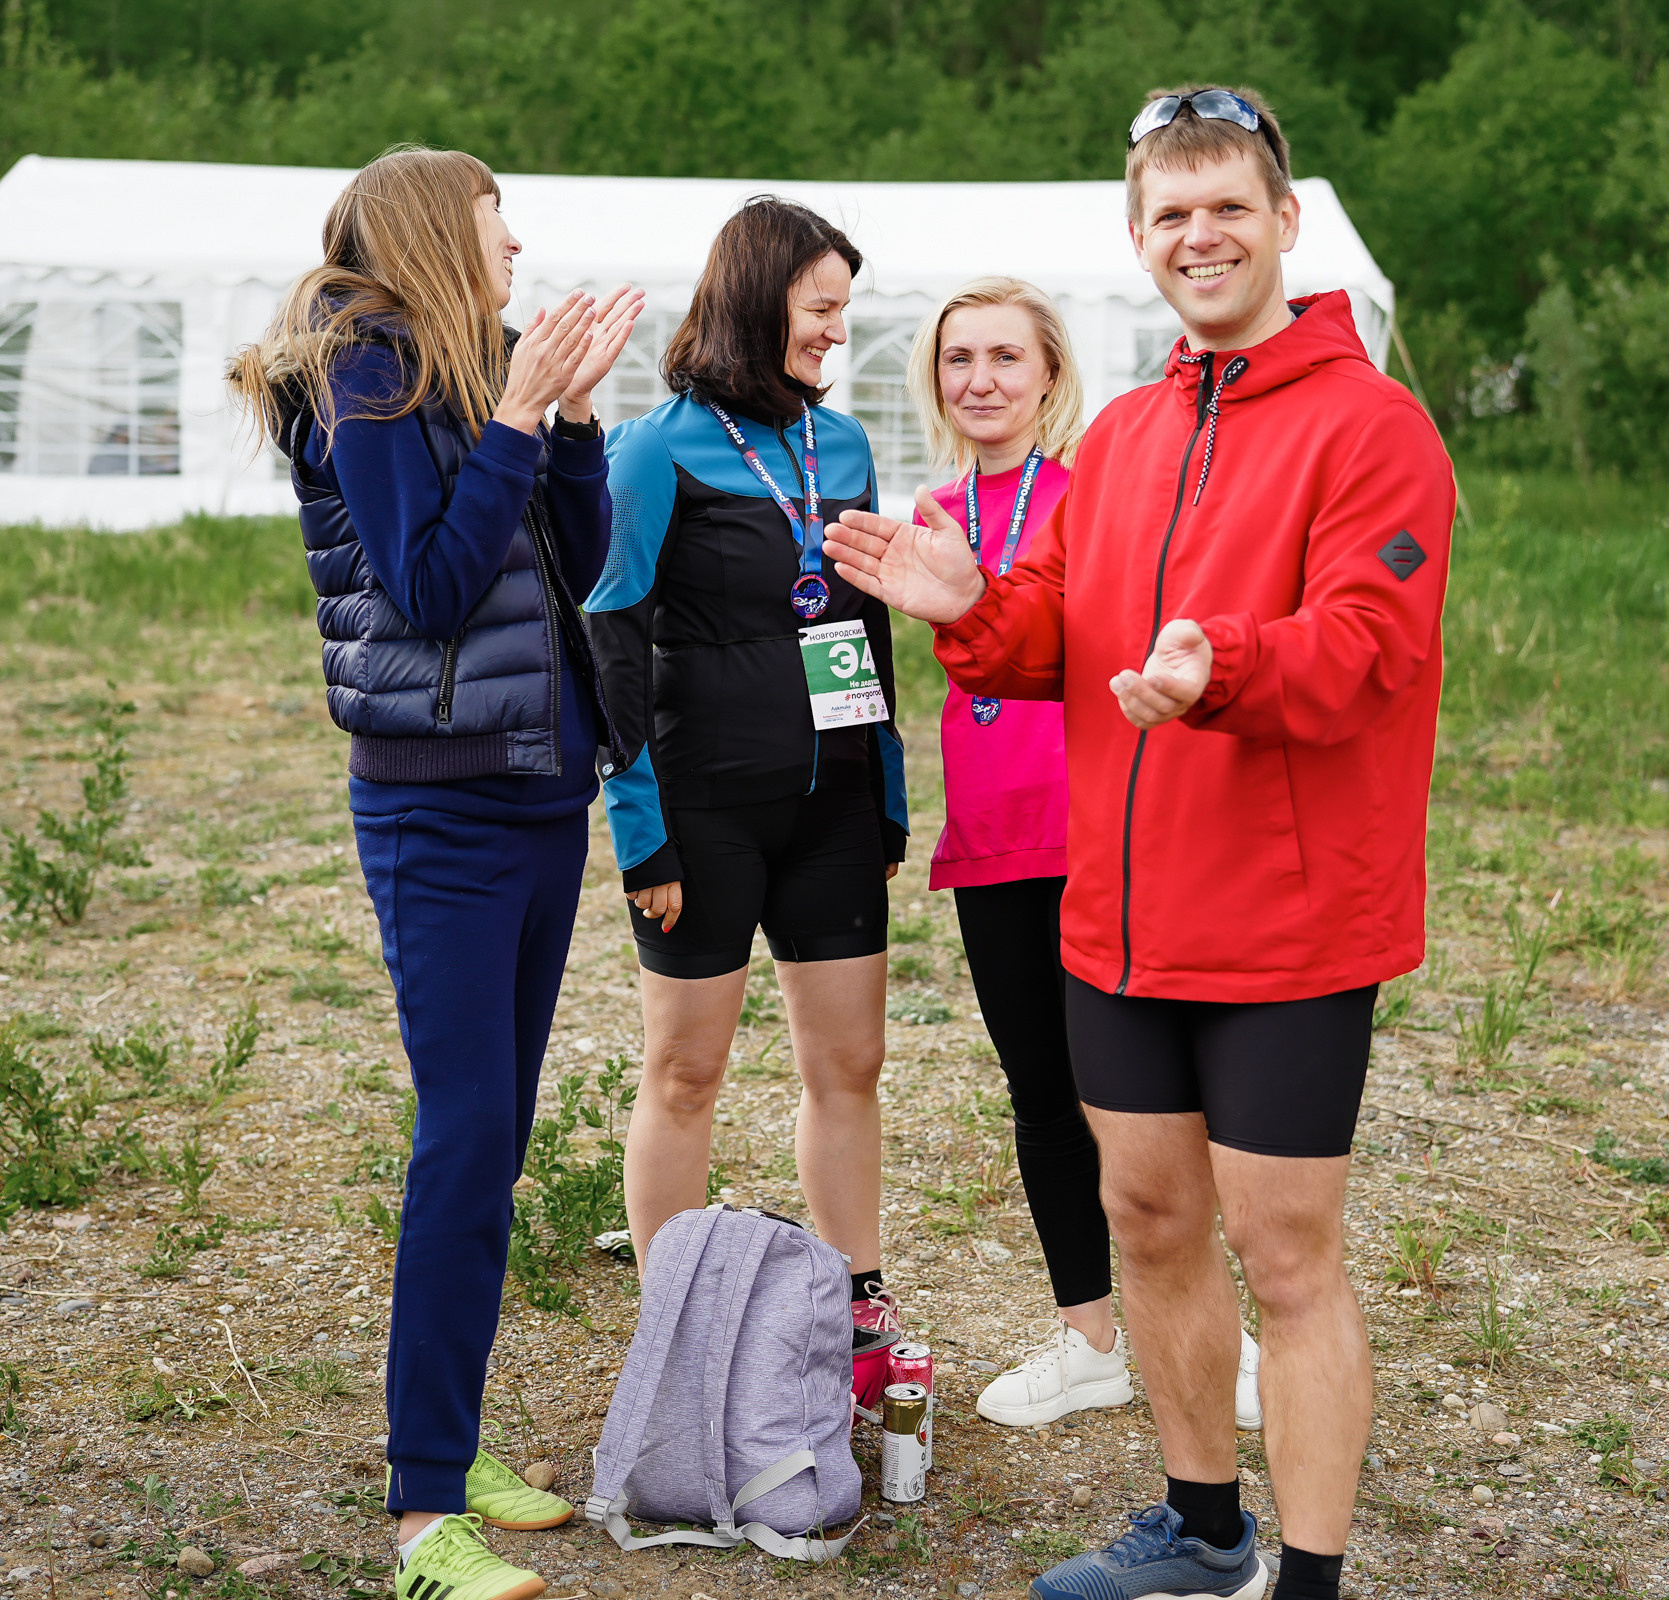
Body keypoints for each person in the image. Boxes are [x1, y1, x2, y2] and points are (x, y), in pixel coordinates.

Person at [826, 86, 1455, 1600]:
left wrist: (1219, 665)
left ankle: (1308, 1578)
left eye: (1228, 205)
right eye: (1172, 213)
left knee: (1288, 1257)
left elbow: (1370, 644)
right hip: (1117, 918)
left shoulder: (1374, 428)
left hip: (1288, 924)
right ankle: (1203, 1527)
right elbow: (1050, 627)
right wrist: (969, 607)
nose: (1201, 235)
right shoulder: (1121, 435)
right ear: (1139, 239)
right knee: (1152, 1220)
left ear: (1285, 222)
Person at [228, 146, 643, 1600]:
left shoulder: (476, 370)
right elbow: (426, 584)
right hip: (439, 811)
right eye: (494, 225)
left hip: (540, 792)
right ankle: (420, 1516)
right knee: (464, 1136)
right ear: (427, 236)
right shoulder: (364, 373)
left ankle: (452, 1445)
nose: (516, 250)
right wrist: (520, 416)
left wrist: (569, 420)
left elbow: (579, 562)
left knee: (497, 1136)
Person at [902, 278, 1269, 1433]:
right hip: (991, 838)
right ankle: (1091, 1341)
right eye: (959, 359)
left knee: (1150, 1097)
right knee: (1042, 1096)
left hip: (1101, 832)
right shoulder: (930, 512)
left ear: (1051, 374)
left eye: (1006, 356)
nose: (981, 380)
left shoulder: (1097, 493)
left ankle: (1223, 1335)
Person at [587, 198, 908, 1347]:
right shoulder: (653, 446)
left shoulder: (846, 446)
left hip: (832, 813)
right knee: (687, 1071)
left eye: (843, 308)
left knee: (851, 1063)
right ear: (757, 300)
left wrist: (885, 793)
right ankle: (674, 1323)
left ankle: (857, 1300)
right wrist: (642, 835)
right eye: (821, 307)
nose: (837, 330)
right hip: (703, 811)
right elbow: (613, 642)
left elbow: (867, 628)